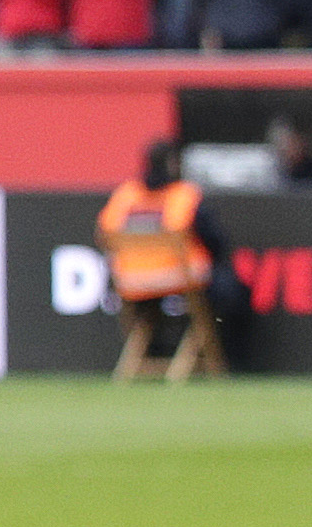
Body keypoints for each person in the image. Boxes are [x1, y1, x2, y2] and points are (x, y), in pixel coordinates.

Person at [97, 137, 227, 381]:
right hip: (182, 278)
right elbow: (215, 241)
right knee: (225, 289)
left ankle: (145, 355)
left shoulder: (125, 196)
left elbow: (104, 235)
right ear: (173, 163)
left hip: (131, 282)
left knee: (148, 315)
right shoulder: (185, 196)